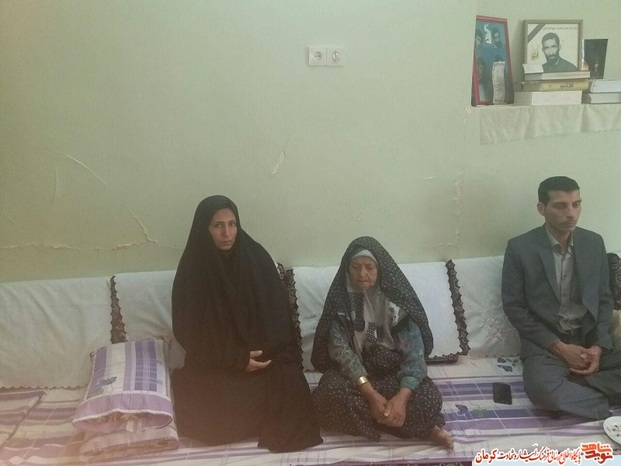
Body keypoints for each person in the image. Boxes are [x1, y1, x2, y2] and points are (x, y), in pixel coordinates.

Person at [171, 195, 322, 452]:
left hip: (264, 361)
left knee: (290, 384)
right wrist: (235, 358)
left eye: (232, 224)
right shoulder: (193, 271)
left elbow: (278, 320)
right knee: (207, 411)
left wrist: (257, 357)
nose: (227, 233)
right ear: (204, 229)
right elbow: (188, 333)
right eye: (218, 226)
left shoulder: (256, 258)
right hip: (217, 363)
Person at [311, 236, 453, 449]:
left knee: (428, 399)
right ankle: (419, 427)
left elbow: (414, 353)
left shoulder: (398, 303)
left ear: (381, 270)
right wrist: (370, 395)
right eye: (356, 267)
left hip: (393, 373)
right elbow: (341, 351)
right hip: (356, 375)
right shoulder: (341, 303)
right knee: (328, 394)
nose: (362, 274)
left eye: (369, 267)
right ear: (347, 269)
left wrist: (402, 398)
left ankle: (396, 417)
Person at [502, 176, 621, 420]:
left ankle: (579, 386)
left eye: (576, 204)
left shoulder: (593, 242)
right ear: (541, 208)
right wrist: (560, 348)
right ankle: (599, 400)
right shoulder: (520, 248)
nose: (571, 214)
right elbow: (514, 308)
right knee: (544, 392)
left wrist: (598, 347)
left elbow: (604, 299)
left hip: (589, 339)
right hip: (546, 345)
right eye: (560, 206)